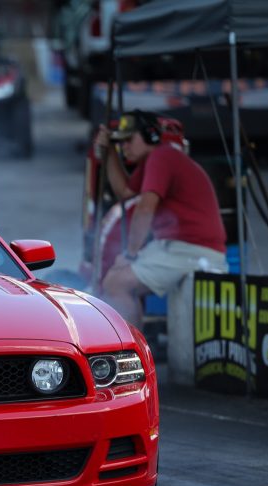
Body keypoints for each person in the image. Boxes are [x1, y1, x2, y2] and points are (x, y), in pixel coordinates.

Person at [95, 110, 228, 325]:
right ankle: (134, 348)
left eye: (129, 140)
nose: (124, 147)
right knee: (116, 278)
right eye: (121, 142)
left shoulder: (162, 157)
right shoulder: (156, 158)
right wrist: (109, 151)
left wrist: (129, 254)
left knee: (116, 284)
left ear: (151, 136)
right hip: (178, 246)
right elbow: (125, 193)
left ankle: (132, 353)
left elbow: (145, 210)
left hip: (192, 249)